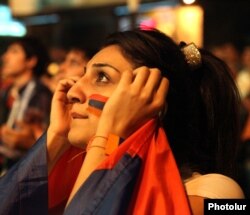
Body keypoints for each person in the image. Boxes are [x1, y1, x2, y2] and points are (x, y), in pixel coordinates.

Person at [0, 28, 244, 215]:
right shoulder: (79, 170)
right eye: (84, 74)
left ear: (153, 99)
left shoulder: (215, 195)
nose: (73, 91)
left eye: (102, 77)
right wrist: (57, 137)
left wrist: (110, 135)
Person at [0, 36, 52, 174]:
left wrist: (28, 142)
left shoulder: (40, 95)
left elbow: (43, 141)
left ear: (31, 61)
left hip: (23, 171)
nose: (5, 57)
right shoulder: (7, 92)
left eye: (14, 51)